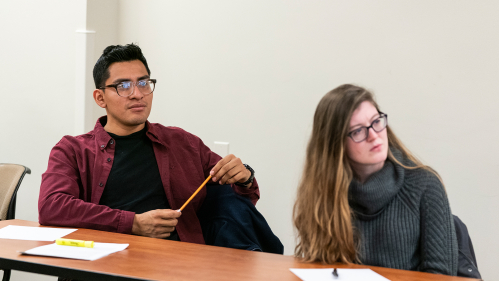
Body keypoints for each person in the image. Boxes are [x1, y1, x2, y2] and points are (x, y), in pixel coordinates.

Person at [38, 43, 259, 244]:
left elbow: (239, 201)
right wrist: (132, 223)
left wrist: (246, 178)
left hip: (180, 266)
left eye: (143, 83)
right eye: (123, 86)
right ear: (100, 98)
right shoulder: (72, 150)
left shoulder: (182, 142)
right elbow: (52, 207)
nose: (137, 94)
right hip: (102, 265)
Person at [293, 84, 458, 275]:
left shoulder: (425, 185)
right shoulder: (322, 196)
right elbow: (320, 270)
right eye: (357, 131)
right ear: (335, 145)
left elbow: (441, 276)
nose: (374, 135)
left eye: (376, 121)